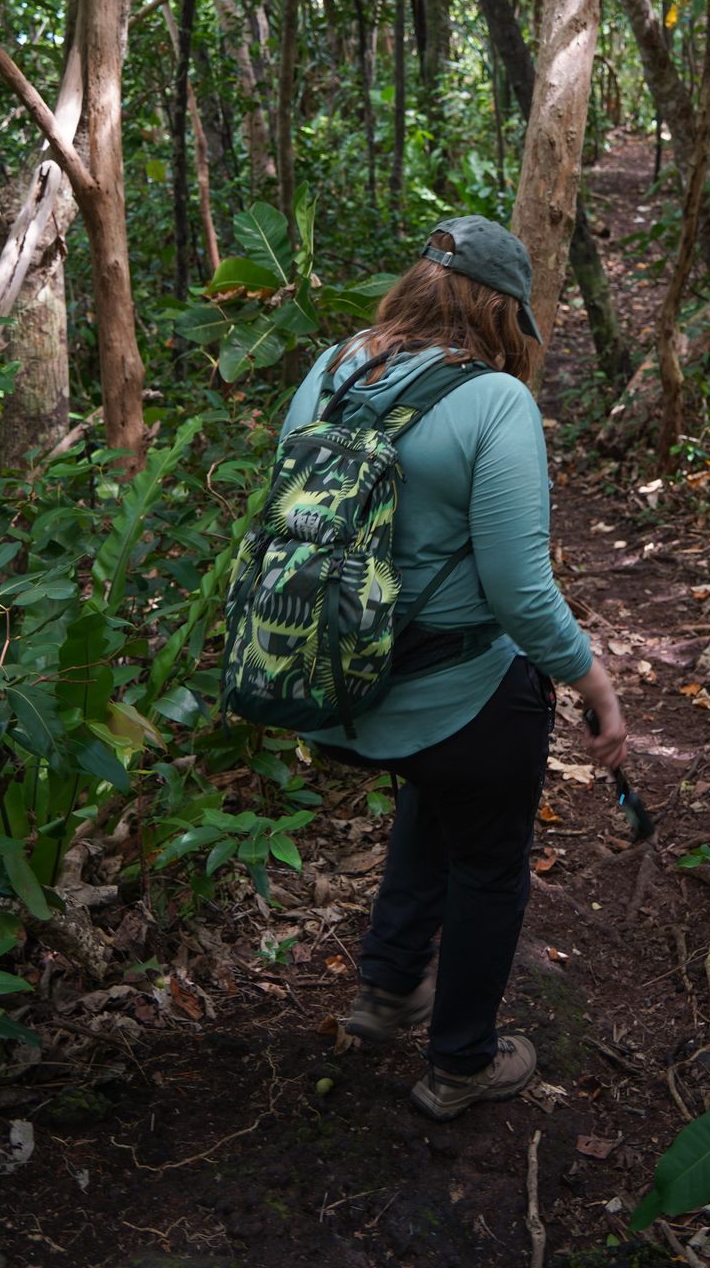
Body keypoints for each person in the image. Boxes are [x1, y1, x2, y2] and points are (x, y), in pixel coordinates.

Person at [281, 215, 628, 1121]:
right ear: (502, 310)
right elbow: (519, 591)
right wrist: (592, 680)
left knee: (440, 786)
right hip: (449, 692)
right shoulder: (495, 402)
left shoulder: (333, 367)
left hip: (332, 685)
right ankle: (461, 1064)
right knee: (490, 852)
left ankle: (390, 988)